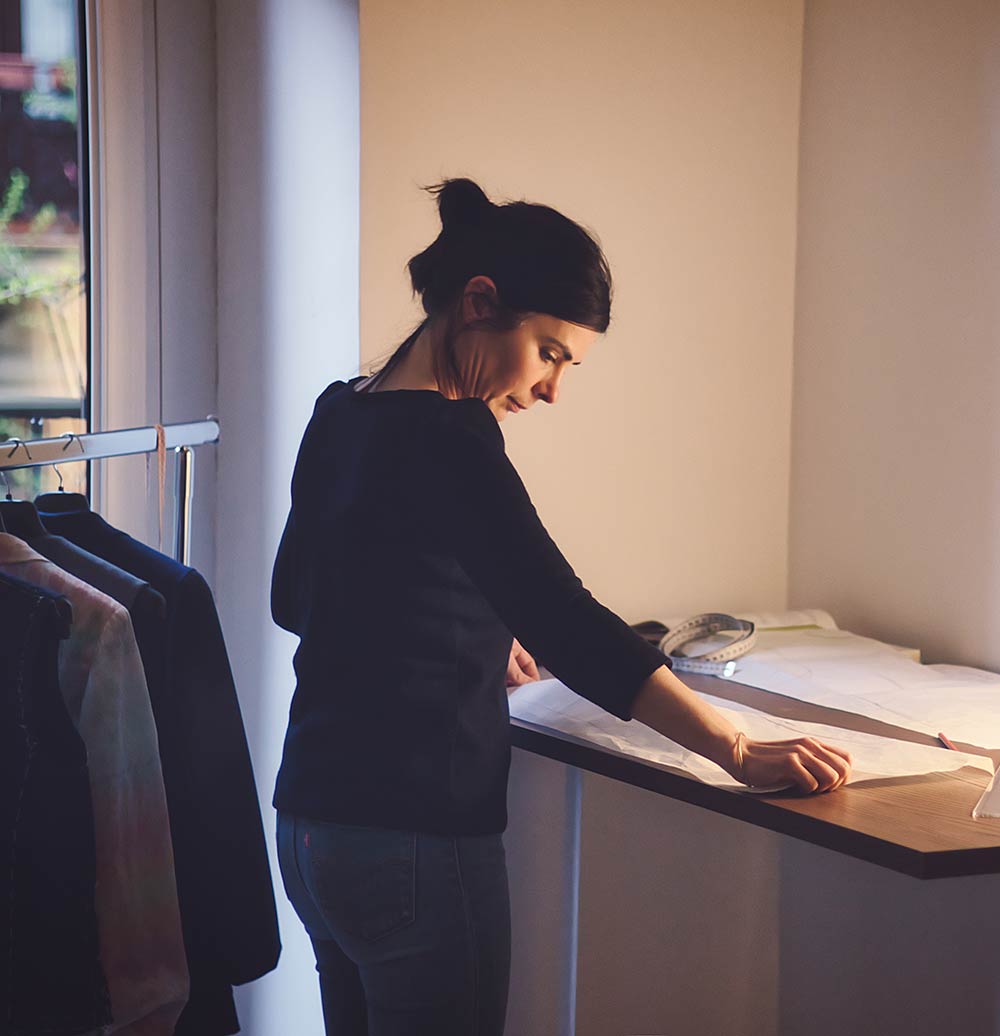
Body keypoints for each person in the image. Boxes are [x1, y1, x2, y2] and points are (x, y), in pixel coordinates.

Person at [270, 177, 853, 1036]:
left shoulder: (340, 412)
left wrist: (468, 626)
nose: (552, 390)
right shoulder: (453, 439)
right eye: (550, 352)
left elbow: (299, 599)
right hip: (414, 838)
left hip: (314, 833)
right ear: (479, 304)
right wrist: (735, 748)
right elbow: (568, 622)